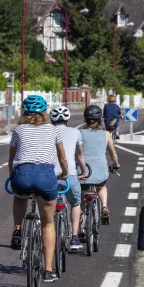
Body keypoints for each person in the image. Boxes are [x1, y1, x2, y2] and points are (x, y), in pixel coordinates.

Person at [8, 95, 68, 283]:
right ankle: (48, 270)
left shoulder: (18, 130)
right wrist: (65, 173)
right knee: (48, 223)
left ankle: (17, 228)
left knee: (19, 196)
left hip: (22, 174)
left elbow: (11, 159)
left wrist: (13, 178)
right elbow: (62, 158)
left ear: (24, 112)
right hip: (46, 176)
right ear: (45, 112)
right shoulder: (53, 130)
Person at [50, 105, 87, 251]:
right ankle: (74, 238)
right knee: (76, 203)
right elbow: (80, 155)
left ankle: (46, 236)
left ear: (51, 120)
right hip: (70, 174)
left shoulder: (47, 131)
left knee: (46, 205)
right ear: (67, 119)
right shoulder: (76, 132)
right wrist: (83, 171)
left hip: (50, 176)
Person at [80, 104, 120, 225]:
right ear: (100, 119)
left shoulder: (78, 133)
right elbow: (113, 153)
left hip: (83, 171)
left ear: (85, 119)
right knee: (101, 186)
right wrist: (115, 164)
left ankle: (81, 224)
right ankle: (104, 207)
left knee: (82, 194)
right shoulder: (106, 134)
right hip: (100, 170)